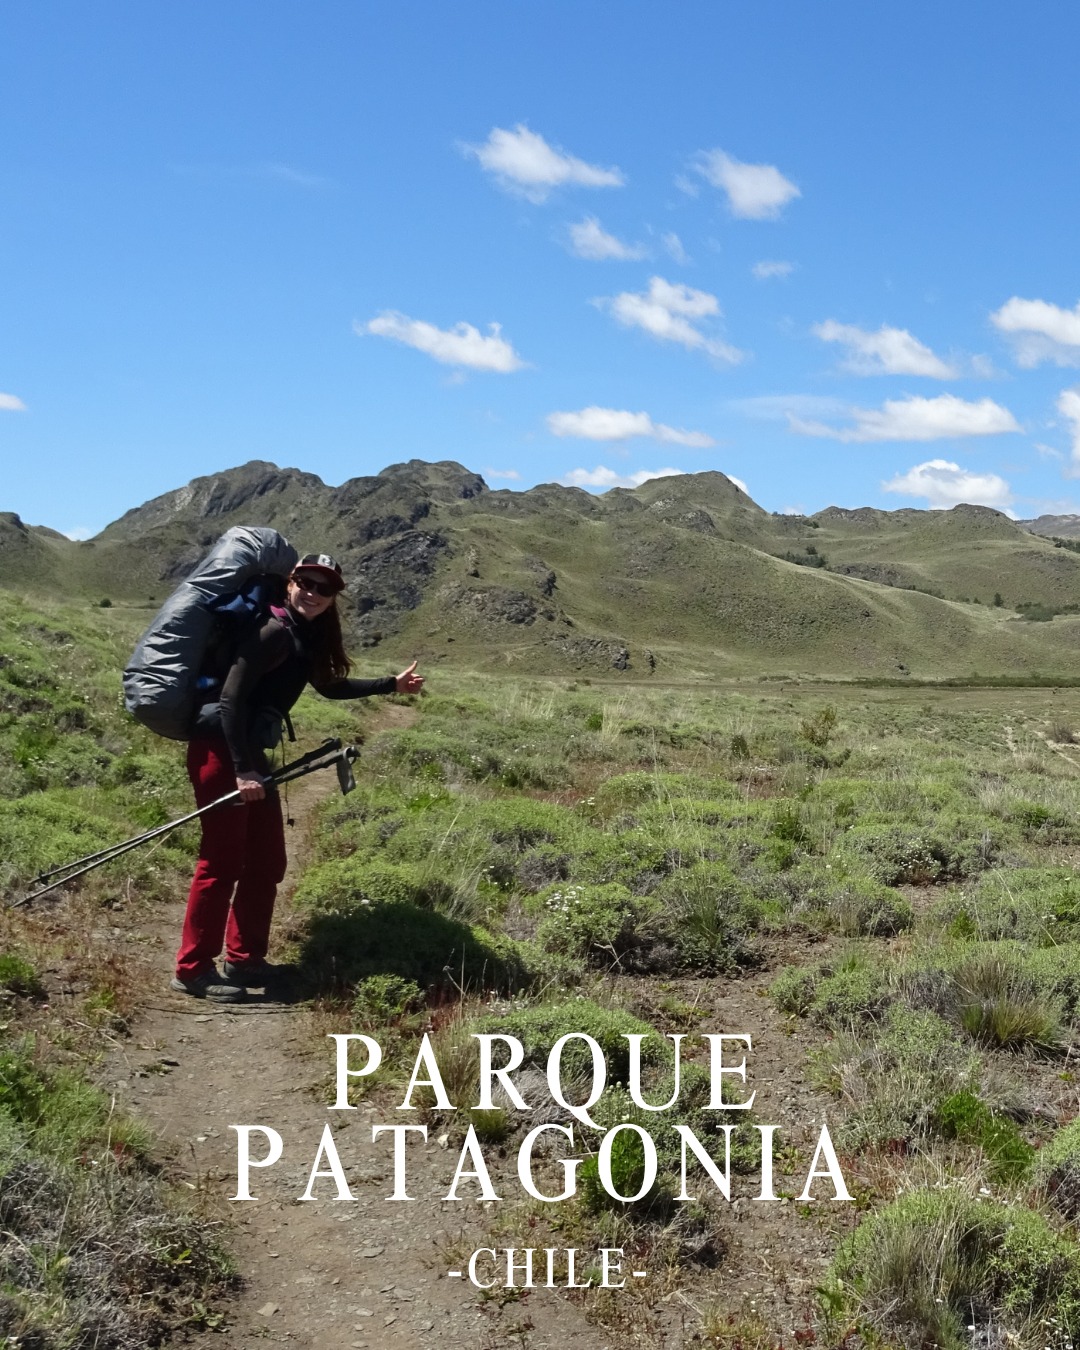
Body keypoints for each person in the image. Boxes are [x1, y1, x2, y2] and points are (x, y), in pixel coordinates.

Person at [170, 552, 424, 1001]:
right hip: (221, 751)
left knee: (266, 861)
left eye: (325, 588)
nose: (313, 593)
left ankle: (244, 958)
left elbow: (329, 687)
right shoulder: (271, 631)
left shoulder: (304, 635)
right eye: (306, 582)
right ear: (289, 582)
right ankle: (192, 969)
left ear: (333, 597)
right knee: (221, 860)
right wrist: (242, 769)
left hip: (249, 754)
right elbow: (230, 700)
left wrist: (392, 684)